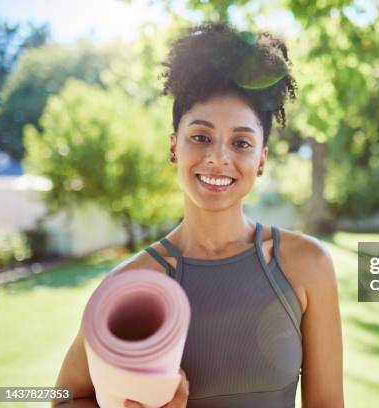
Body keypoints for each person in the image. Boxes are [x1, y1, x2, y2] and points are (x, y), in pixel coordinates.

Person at [53, 22, 343, 408]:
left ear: (261, 160)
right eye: (201, 137)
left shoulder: (307, 265)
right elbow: (60, 397)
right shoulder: (129, 284)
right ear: (174, 146)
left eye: (241, 142)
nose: (218, 158)